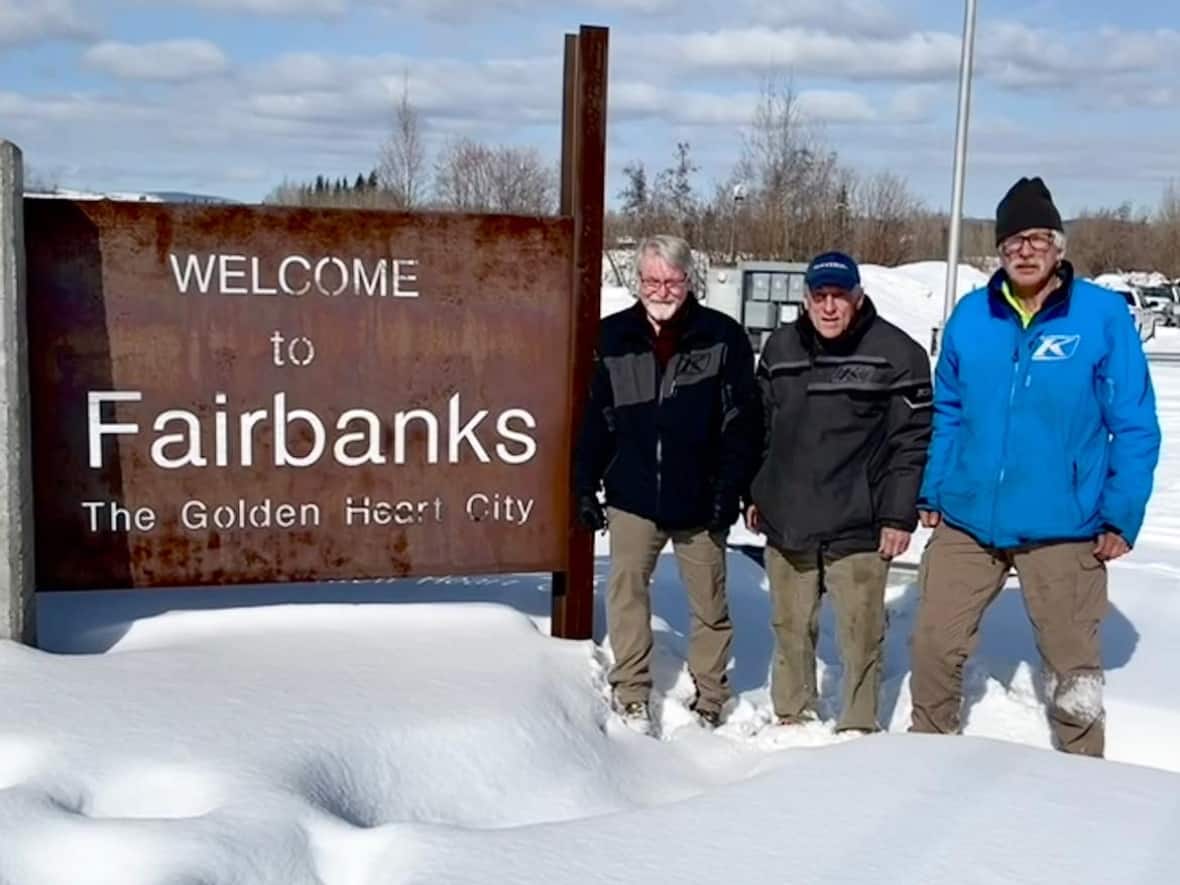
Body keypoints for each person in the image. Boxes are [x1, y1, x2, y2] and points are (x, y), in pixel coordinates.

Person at [910, 176, 1161, 757]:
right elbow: (948, 411)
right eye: (1011, 241)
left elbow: (1135, 424)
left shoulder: (1100, 317)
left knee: (1073, 665)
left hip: (1065, 524)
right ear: (998, 251)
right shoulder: (972, 317)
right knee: (933, 643)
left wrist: (1120, 515)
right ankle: (924, 750)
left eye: (1036, 239)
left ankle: (1081, 771)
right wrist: (934, 488)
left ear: (1058, 246)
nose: (1024, 251)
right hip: (968, 516)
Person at [573, 234, 759, 732]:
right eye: (652, 280)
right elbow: (595, 416)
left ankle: (712, 694)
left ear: (687, 280)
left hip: (701, 496)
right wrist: (585, 483)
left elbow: (743, 422)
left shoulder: (722, 337)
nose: (662, 289)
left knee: (710, 602)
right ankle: (632, 689)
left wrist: (730, 489)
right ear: (638, 282)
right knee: (627, 592)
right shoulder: (612, 336)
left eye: (671, 280)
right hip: (634, 492)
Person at [747, 251, 932, 733]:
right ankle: (792, 712)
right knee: (790, 626)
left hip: (861, 521)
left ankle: (858, 722)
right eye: (820, 296)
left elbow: (910, 443)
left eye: (840, 297)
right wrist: (756, 492)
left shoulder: (898, 353)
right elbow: (760, 428)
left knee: (861, 633)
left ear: (858, 297)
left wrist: (898, 515)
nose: (829, 307)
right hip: (789, 515)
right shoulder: (781, 348)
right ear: (806, 299)